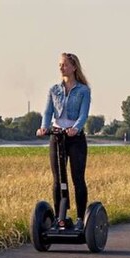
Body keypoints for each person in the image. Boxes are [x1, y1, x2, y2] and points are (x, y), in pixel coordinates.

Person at [37, 52, 92, 230]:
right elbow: (47, 112)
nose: (61, 67)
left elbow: (83, 115)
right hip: (57, 135)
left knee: (77, 178)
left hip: (75, 138)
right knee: (58, 179)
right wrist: (44, 127)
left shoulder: (83, 90)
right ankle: (59, 218)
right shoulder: (54, 89)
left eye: (65, 65)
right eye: (60, 64)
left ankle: (80, 219)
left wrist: (75, 128)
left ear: (74, 67)